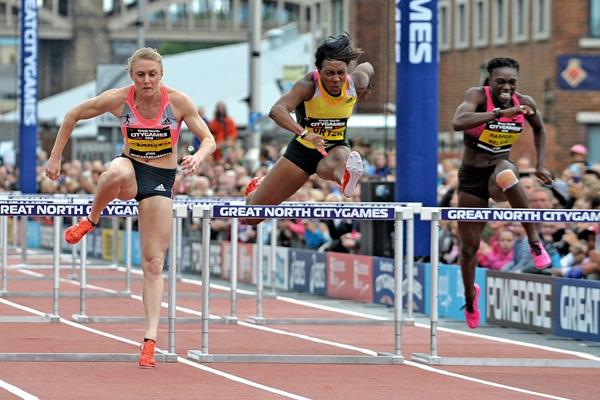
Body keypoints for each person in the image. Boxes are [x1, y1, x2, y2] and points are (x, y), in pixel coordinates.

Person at [44, 47, 216, 368]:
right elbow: (72, 115)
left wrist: (198, 157)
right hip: (130, 170)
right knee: (116, 171)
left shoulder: (177, 101)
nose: (147, 81)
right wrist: (55, 157)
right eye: (140, 75)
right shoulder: (119, 99)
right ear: (131, 76)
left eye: (152, 74)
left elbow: (208, 138)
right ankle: (92, 219)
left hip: (160, 178)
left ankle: (149, 340)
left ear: (161, 75)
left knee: (153, 263)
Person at [451, 57, 553, 329]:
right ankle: (471, 298)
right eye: (500, 82)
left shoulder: (525, 103)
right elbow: (458, 121)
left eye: (511, 82)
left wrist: (541, 163)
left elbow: (540, 129)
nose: (506, 87)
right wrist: (498, 114)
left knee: (507, 171)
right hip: (472, 177)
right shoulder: (477, 96)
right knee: (469, 249)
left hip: (498, 172)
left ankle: (534, 241)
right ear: (490, 80)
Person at [244, 32, 374, 224]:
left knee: (343, 160)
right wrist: (305, 133)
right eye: (329, 73)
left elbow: (368, 66)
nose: (336, 79)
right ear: (318, 71)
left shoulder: (357, 82)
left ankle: (346, 178)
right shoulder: (308, 85)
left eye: (341, 72)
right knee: (252, 216)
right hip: (302, 151)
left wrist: (368, 86)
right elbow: (277, 111)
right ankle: (260, 186)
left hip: (334, 147)